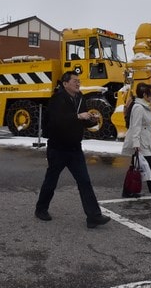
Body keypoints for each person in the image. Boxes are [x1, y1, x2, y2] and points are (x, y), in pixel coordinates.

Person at [35, 71, 111, 228]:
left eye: (79, 81)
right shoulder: (57, 99)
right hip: (58, 148)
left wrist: (90, 120)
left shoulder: (80, 98)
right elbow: (57, 121)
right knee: (51, 180)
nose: (78, 83)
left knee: (84, 181)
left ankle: (93, 217)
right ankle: (41, 209)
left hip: (75, 148)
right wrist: (78, 116)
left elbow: (81, 121)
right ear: (65, 84)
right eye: (75, 81)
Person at [122, 82, 151, 202]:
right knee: (150, 167)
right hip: (141, 142)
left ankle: (127, 191)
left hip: (144, 141)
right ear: (144, 94)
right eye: (150, 93)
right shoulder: (138, 107)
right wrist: (136, 144)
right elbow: (136, 127)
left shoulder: (144, 106)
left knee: (135, 166)